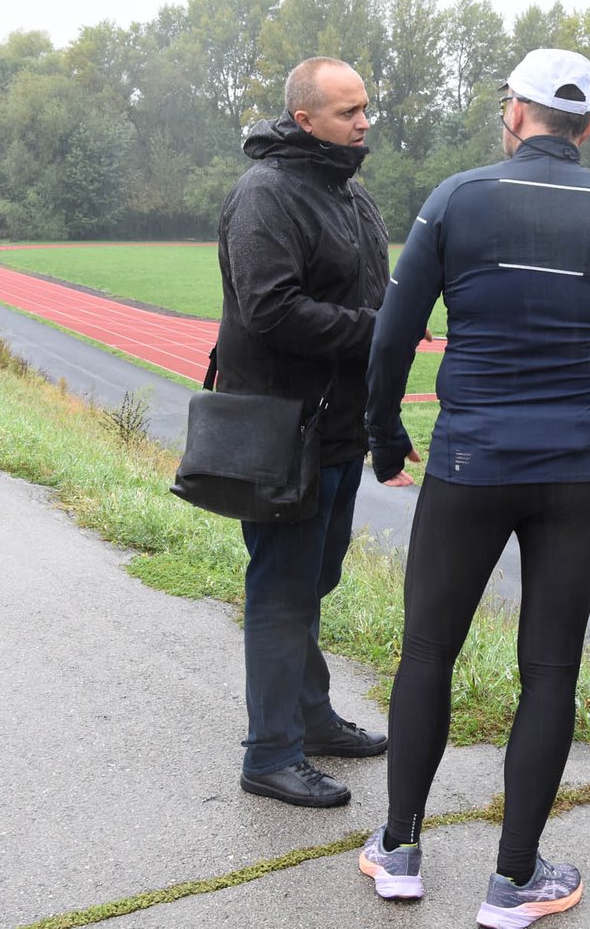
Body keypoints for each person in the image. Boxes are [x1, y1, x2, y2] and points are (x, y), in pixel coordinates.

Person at [359, 49, 590, 926]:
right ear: (587, 126)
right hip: (577, 474)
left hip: (470, 462)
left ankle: (397, 849)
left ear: (516, 113)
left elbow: (392, 338)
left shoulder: (457, 198)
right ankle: (514, 880)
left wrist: (386, 435)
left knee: (428, 649)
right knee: (548, 667)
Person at [215, 56, 412, 809]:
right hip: (280, 432)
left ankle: (312, 716)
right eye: (348, 111)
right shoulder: (266, 194)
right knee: (281, 590)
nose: (364, 122)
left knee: (312, 583)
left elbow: (370, 292)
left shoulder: (349, 194)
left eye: (366, 107)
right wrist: (378, 329)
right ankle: (270, 753)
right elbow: (270, 309)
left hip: (336, 429)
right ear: (305, 120)